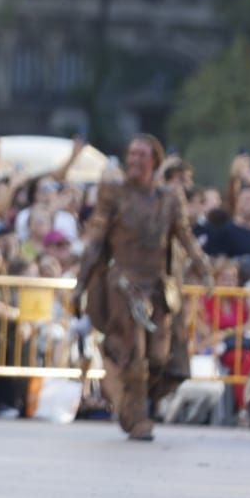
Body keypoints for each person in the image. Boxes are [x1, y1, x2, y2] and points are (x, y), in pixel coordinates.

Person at [74, 134, 213, 442]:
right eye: (131, 154)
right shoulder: (114, 194)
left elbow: (185, 236)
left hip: (158, 286)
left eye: (142, 155)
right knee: (134, 351)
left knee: (160, 357)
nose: (134, 160)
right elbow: (96, 240)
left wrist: (204, 269)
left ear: (155, 161)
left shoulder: (169, 198)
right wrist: (81, 282)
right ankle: (137, 418)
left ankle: (127, 397)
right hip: (124, 285)